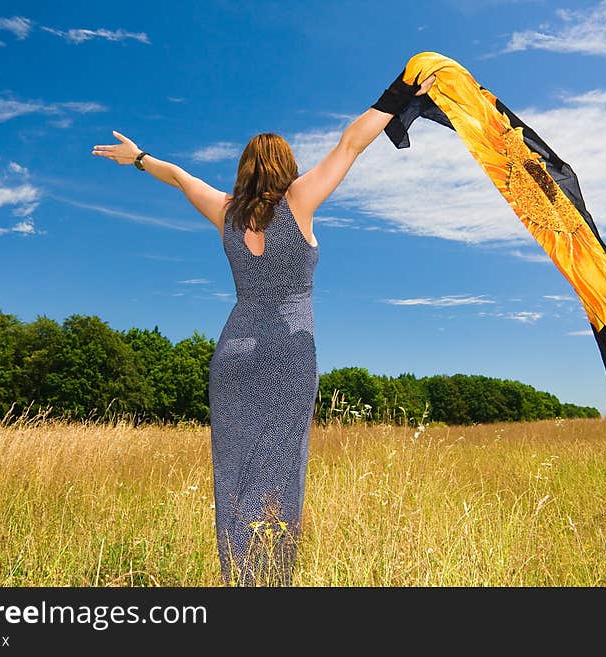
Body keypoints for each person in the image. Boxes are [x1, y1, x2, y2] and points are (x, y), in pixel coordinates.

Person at [92, 69, 436, 585]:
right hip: (289, 354)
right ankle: (271, 580)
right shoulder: (298, 201)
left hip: (233, 354)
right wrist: (401, 94)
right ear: (286, 167)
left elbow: (181, 176)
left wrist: (139, 158)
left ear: (245, 168)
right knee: (281, 466)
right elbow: (350, 143)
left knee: (233, 470)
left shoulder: (227, 214)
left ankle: (240, 579)